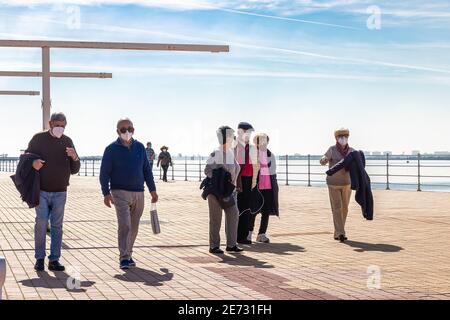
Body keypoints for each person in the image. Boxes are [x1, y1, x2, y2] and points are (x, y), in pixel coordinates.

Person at [100, 118, 158, 270]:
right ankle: (124, 257)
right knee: (124, 224)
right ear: (117, 131)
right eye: (123, 129)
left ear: (134, 129)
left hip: (139, 192)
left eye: (129, 128)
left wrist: (153, 190)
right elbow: (104, 173)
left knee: (134, 226)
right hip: (119, 192)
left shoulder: (139, 147)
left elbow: (147, 170)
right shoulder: (111, 149)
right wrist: (106, 193)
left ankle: (129, 253)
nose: (127, 132)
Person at [26, 112, 80, 272]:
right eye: (57, 125)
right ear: (50, 124)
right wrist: (33, 163)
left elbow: (75, 169)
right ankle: (39, 259)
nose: (60, 128)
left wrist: (75, 157)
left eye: (63, 126)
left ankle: (54, 260)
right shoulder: (38, 139)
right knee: (41, 223)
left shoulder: (67, 140)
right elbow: (25, 158)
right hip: (41, 190)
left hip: (60, 191)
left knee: (57, 226)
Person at [204, 126, 243, 254]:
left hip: (230, 191)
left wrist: (234, 184)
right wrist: (218, 179)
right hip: (216, 192)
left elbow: (235, 169)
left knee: (233, 215)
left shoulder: (230, 152)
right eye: (232, 136)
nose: (234, 138)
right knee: (216, 219)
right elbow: (207, 170)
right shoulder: (216, 153)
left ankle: (231, 244)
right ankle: (214, 246)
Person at [320, 127, 355, 242]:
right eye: (341, 137)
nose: (343, 139)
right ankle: (341, 233)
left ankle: (338, 232)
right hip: (333, 183)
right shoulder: (332, 149)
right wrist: (324, 159)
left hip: (347, 184)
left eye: (345, 136)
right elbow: (324, 159)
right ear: (336, 138)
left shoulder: (352, 151)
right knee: (337, 208)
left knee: (344, 209)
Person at [248, 133, 279, 244]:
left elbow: (273, 171)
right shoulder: (251, 154)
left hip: (268, 187)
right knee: (253, 210)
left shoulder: (270, 155)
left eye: (265, 141)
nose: (263, 143)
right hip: (255, 186)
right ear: (256, 143)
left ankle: (261, 234)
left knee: (266, 211)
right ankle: (249, 233)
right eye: (260, 141)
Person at [234, 122, 257, 245]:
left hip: (249, 180)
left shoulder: (250, 147)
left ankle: (243, 236)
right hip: (239, 179)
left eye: (250, 133)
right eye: (248, 132)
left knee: (247, 207)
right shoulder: (235, 145)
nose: (249, 135)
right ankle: (237, 236)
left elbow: (255, 164)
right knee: (238, 208)